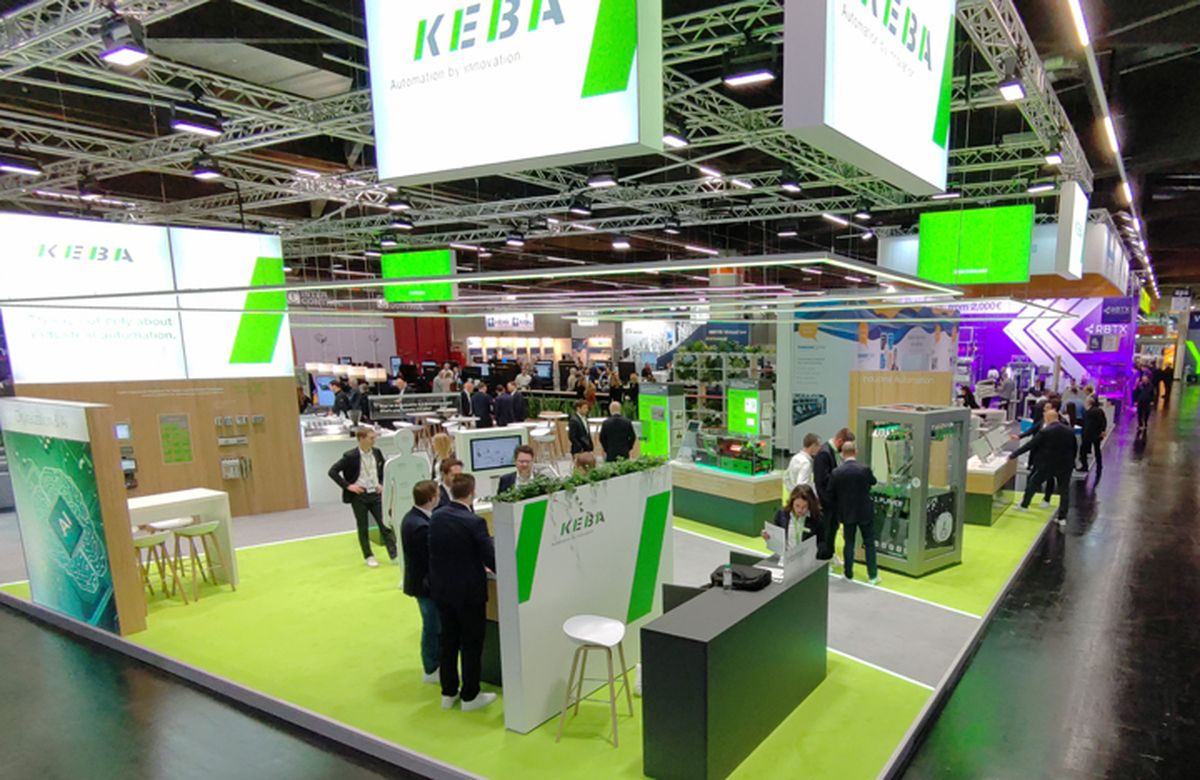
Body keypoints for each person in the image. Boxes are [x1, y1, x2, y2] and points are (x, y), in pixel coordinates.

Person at [429, 473, 497, 712]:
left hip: (443, 591)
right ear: (471, 492)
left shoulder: (436, 516)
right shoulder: (474, 522)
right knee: (471, 643)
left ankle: (448, 692)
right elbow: (490, 556)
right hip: (469, 593)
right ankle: (470, 695)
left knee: (448, 641)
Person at [327, 428, 398, 567]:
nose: (374, 440)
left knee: (385, 523)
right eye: (371, 438)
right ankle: (368, 555)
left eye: (374, 438)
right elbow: (332, 471)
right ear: (361, 439)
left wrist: (382, 484)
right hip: (359, 494)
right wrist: (348, 486)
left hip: (375, 494)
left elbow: (384, 470)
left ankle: (394, 553)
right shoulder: (350, 456)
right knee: (363, 525)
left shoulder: (377, 453)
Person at [400, 480, 441, 685]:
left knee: (434, 625)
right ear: (432, 498)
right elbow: (429, 558)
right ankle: (431, 668)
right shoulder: (419, 525)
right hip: (425, 587)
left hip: (425, 584)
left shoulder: (416, 519)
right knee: (432, 626)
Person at [825, 440, 879, 584]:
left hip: (847, 513)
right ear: (856, 452)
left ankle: (848, 574)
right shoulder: (864, 470)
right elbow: (873, 482)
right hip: (865, 512)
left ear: (842, 454)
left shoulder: (837, 472)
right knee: (869, 543)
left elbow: (830, 492)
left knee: (849, 543)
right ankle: (873, 575)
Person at [1011, 408, 1076, 526]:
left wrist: (1014, 454)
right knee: (1064, 491)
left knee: (1033, 483)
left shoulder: (1045, 432)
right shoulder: (1069, 431)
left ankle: (1024, 505)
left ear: (1048, 418)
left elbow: (1031, 445)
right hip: (1065, 465)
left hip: (1047, 464)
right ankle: (1062, 517)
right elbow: (1074, 448)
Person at [814, 428, 853, 560]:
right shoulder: (824, 454)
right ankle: (824, 557)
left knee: (833, 529)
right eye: (846, 446)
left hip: (833, 502)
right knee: (827, 531)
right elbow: (821, 482)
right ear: (840, 441)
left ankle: (829, 554)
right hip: (827, 503)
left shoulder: (832, 453)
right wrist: (828, 504)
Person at [763, 484, 822, 549]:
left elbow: (822, 542)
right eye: (797, 505)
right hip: (786, 556)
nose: (800, 510)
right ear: (792, 502)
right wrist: (767, 535)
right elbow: (775, 535)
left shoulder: (817, 518)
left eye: (804, 507)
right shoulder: (782, 514)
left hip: (808, 557)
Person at [1079, 395, 1107, 473]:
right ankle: (1099, 465)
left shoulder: (1089, 412)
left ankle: (1084, 466)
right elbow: (1103, 422)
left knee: (1083, 450)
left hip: (1089, 434)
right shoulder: (1099, 411)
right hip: (1097, 434)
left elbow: (1086, 423)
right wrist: (1102, 431)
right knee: (1097, 450)